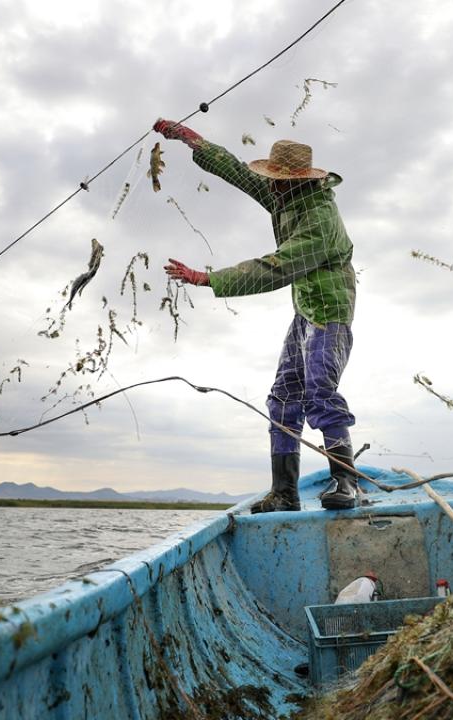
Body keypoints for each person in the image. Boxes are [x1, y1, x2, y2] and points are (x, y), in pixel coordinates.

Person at [152, 118, 360, 512]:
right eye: (272, 179)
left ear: (299, 180)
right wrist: (191, 140)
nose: (272, 186)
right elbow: (235, 171)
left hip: (330, 310)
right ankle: (284, 494)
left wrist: (206, 278)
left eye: (278, 180)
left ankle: (345, 481)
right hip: (305, 311)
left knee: (319, 389)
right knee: (283, 397)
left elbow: (276, 267)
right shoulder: (285, 196)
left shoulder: (319, 220)